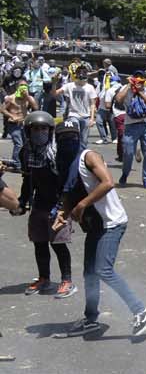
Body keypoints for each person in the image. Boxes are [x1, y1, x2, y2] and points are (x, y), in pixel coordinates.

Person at [53, 122, 146, 337]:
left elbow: (108, 183)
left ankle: (141, 310)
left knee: (103, 270)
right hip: (95, 225)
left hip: (111, 222)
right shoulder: (65, 164)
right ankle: (90, 319)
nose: (67, 141)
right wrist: (63, 213)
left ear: (78, 136)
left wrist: (82, 205)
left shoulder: (88, 156)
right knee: (90, 273)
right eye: (62, 137)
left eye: (71, 136)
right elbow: (70, 193)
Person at [17, 112, 75, 299]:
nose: (39, 132)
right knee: (39, 243)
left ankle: (67, 280)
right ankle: (44, 278)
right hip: (39, 204)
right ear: (29, 131)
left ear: (51, 131)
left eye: (44, 129)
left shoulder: (58, 152)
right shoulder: (26, 151)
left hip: (59, 204)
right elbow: (28, 179)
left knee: (58, 243)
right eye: (35, 129)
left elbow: (68, 180)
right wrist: (22, 202)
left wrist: (63, 207)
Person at [115, 74, 146, 189]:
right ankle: (125, 173)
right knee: (128, 153)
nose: (138, 80)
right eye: (136, 78)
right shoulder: (127, 87)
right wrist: (129, 86)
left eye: (141, 78)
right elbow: (118, 99)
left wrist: (140, 92)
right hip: (131, 125)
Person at [60, 69, 98, 145]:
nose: (82, 81)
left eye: (84, 78)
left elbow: (93, 104)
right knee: (74, 135)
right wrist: (54, 83)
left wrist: (92, 118)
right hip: (73, 114)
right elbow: (56, 93)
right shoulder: (70, 85)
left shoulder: (89, 87)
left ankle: (82, 154)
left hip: (85, 116)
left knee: (84, 140)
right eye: (80, 78)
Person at [3, 83, 37, 166]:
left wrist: (28, 97)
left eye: (25, 86)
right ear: (18, 87)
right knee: (19, 144)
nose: (23, 88)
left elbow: (36, 108)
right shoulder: (11, 98)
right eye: (21, 85)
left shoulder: (29, 98)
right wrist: (12, 116)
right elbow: (2, 109)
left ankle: (23, 161)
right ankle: (16, 163)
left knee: (26, 143)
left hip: (24, 123)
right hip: (14, 124)